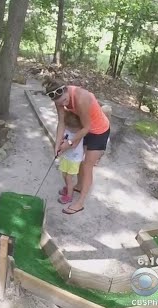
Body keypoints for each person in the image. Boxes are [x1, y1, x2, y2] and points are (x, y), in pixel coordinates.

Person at [43, 78, 110, 214]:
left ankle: (80, 203)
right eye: (59, 103)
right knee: (78, 161)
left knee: (87, 165)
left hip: (98, 131)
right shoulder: (58, 100)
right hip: (83, 129)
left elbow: (87, 127)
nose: (63, 104)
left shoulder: (81, 98)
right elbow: (61, 122)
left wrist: (68, 143)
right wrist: (57, 144)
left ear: (66, 90)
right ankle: (78, 186)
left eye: (64, 101)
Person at [57, 110, 85, 205]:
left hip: (74, 159)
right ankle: (69, 188)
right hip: (66, 157)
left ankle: (69, 196)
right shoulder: (67, 128)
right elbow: (62, 137)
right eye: (70, 128)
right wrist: (60, 143)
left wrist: (64, 145)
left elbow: (73, 145)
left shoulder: (79, 134)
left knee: (69, 177)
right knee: (64, 175)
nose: (71, 130)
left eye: (74, 129)